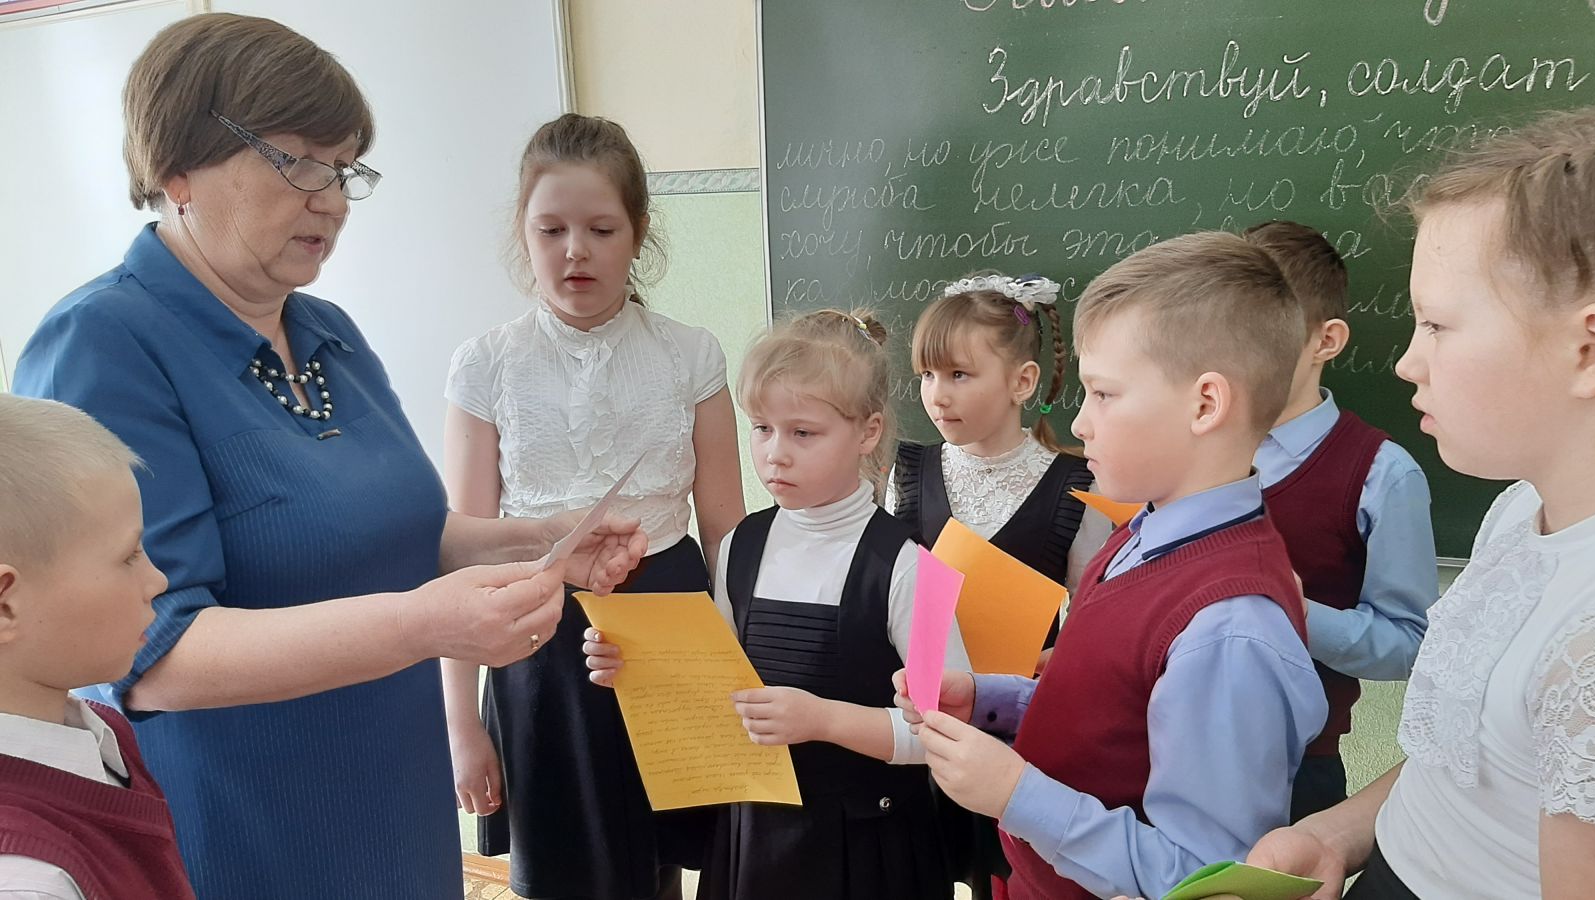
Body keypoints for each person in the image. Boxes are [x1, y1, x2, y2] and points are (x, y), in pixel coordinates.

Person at [10, 15, 644, 898]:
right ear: (177, 168)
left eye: (344, 168)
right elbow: (154, 655)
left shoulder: (326, 332)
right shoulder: (106, 344)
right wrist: (425, 625)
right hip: (255, 826)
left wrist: (541, 541)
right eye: (299, 162)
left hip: (395, 799)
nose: (334, 200)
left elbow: (398, 534)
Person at [896, 232, 1328, 900]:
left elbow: (1202, 878)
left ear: (1205, 405)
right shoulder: (1144, 533)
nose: (1081, 423)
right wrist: (991, 701)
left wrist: (1016, 793)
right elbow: (1118, 712)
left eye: (1103, 394)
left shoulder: (1228, 630)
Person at [1237, 108, 1595, 900]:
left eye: (1436, 324)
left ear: (1588, 349)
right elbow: (1470, 765)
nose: (1406, 362)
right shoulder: (1520, 510)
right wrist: (1336, 832)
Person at [441, 113, 744, 900]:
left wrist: (735, 664)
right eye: (552, 230)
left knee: (659, 861)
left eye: (601, 229)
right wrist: (461, 724)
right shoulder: (485, 365)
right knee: (555, 864)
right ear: (524, 233)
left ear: (637, 233)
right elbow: (462, 555)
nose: (575, 250)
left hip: (670, 628)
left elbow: (727, 532)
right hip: (537, 638)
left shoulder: (690, 354)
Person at [587, 310, 970, 900]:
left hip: (871, 849)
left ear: (868, 432)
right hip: (756, 841)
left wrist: (821, 720)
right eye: (762, 428)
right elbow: (718, 688)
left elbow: (944, 734)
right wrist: (637, 669)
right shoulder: (740, 545)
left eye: (803, 433)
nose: (775, 454)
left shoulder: (917, 569)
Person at [888, 272, 1112, 897]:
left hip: (1020, 737)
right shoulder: (909, 471)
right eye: (927, 375)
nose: (937, 395)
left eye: (959, 375)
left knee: (1008, 878)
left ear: (1022, 382)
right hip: (923, 724)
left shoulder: (1075, 485)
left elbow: (1093, 614)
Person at [1242, 220, 1439, 821]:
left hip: (1295, 768)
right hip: (1164, 738)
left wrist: (1297, 614)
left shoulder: (1383, 474)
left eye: (1258, 330)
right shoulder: (1185, 440)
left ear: (1325, 340)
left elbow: (1411, 644)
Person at [0, 396, 190, 900]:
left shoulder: (100, 732)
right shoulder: (27, 880)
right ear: (4, 605)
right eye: (129, 556)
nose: (157, 580)